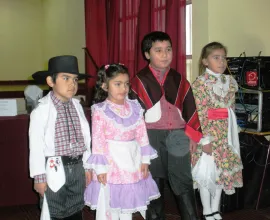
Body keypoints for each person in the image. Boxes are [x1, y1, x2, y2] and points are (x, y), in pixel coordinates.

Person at [131, 31, 208, 220]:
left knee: (183, 182)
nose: (164, 54)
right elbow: (132, 116)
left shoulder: (180, 80)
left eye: (168, 49)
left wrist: (191, 135)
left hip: (178, 135)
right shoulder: (139, 81)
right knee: (153, 184)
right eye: (158, 50)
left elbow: (191, 108)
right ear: (147, 54)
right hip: (150, 137)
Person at [84, 64, 160, 220]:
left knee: (128, 203)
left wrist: (145, 160)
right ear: (105, 86)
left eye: (126, 84)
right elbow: (98, 141)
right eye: (117, 84)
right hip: (111, 164)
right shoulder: (99, 110)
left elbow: (142, 134)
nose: (123, 88)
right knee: (112, 201)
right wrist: (100, 169)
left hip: (133, 160)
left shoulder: (135, 107)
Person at [29, 55, 92, 220]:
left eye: (75, 79)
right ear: (51, 81)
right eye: (66, 78)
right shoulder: (40, 112)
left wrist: (87, 167)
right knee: (54, 210)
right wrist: (39, 177)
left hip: (77, 167)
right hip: (54, 169)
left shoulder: (78, 107)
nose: (72, 84)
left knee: (77, 207)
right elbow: (35, 147)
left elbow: (85, 140)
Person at [191, 42, 243, 220]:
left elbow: (232, 108)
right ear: (205, 61)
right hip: (209, 134)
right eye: (216, 58)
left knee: (221, 172)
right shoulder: (201, 84)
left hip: (225, 135)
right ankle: (206, 210)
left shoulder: (228, 82)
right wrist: (204, 140)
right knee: (207, 173)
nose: (221, 62)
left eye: (223, 58)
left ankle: (215, 209)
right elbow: (199, 113)